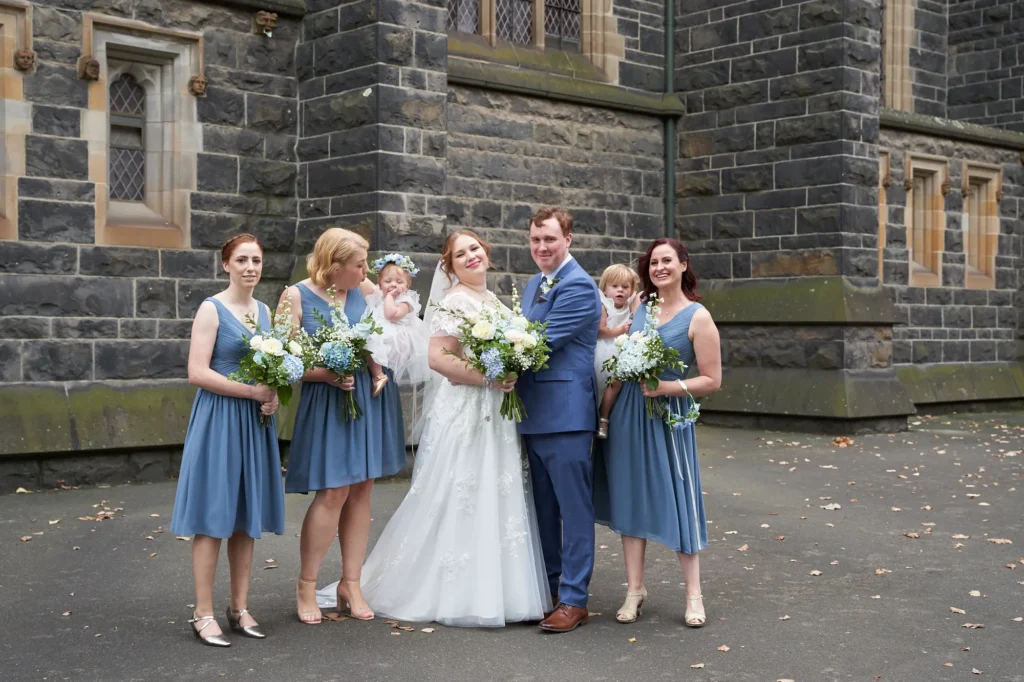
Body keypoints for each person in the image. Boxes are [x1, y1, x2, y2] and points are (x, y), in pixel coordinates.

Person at [357, 230, 551, 627]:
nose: (471, 256)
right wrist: (489, 378)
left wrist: (509, 368)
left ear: (487, 252)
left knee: (496, 488)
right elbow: (437, 358)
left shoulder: (493, 298)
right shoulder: (454, 301)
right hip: (468, 407)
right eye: (460, 254)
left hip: (497, 410)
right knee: (463, 488)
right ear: (450, 266)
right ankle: (453, 589)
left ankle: (501, 590)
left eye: (475, 248)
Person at [592, 238, 722, 628]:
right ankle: (635, 590)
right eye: (652, 262)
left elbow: (712, 379)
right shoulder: (640, 309)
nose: (658, 267)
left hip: (669, 415)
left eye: (667, 261)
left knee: (679, 497)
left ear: (683, 264)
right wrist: (604, 415)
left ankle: (693, 595)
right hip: (630, 411)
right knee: (630, 497)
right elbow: (619, 363)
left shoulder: (699, 317)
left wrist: (666, 388)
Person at [282, 228, 405, 625]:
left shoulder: (362, 287)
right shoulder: (295, 296)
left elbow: (390, 331)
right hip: (329, 400)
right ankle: (306, 583)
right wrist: (325, 374)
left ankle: (350, 583)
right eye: (359, 265)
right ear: (334, 268)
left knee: (363, 486)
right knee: (333, 490)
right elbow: (283, 362)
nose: (367, 271)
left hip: (368, 396)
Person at [170, 233, 285, 647]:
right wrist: (252, 392)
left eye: (256, 259)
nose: (250, 267)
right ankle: (202, 614)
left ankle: (239, 608)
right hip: (219, 420)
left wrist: (270, 396)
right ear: (226, 265)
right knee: (212, 516)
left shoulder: (265, 311)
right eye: (242, 260)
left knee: (243, 518)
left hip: (254, 424)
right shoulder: (211, 309)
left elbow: (269, 372)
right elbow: (197, 373)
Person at [516, 207, 603, 633]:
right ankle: (550, 590)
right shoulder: (534, 283)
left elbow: (540, 342)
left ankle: (574, 599)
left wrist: (490, 360)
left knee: (573, 508)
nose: (541, 248)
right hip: (533, 412)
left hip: (567, 414)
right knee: (544, 510)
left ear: (568, 239)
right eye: (535, 240)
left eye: (549, 239)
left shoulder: (580, 287)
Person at [594, 263, 641, 439]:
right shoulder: (604, 305)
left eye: (625, 287)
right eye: (614, 286)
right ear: (605, 290)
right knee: (601, 386)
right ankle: (598, 417)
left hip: (621, 349)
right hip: (604, 348)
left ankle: (604, 418)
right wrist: (620, 331)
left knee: (616, 383)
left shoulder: (631, 304)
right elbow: (601, 330)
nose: (620, 291)